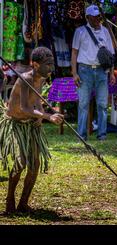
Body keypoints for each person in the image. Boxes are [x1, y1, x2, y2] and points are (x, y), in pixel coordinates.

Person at [0, 47, 64, 213]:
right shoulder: (25, 79)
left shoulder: (41, 78)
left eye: (52, 64)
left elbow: (35, 102)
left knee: (34, 165)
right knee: (20, 163)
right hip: (16, 123)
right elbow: (25, 107)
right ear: (35, 64)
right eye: (47, 64)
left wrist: (40, 116)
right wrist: (48, 117)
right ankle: (10, 201)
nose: (51, 68)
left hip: (30, 124)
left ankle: (23, 203)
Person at [71, 4, 116, 141]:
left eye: (99, 17)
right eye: (94, 17)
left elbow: (111, 54)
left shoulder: (106, 31)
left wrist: (112, 73)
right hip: (84, 70)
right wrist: (74, 73)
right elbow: (74, 52)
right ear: (87, 17)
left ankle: (102, 134)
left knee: (102, 104)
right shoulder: (80, 31)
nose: (97, 19)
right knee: (83, 103)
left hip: (102, 70)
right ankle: (82, 134)